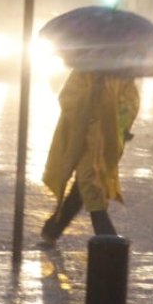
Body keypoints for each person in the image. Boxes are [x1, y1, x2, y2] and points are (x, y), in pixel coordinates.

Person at [40, 70, 139, 245]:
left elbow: (129, 104)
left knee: (82, 187)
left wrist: (121, 127)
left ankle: (53, 229)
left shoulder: (122, 75)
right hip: (82, 140)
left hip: (105, 143)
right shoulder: (82, 72)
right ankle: (107, 239)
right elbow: (67, 99)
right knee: (89, 183)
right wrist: (91, 93)